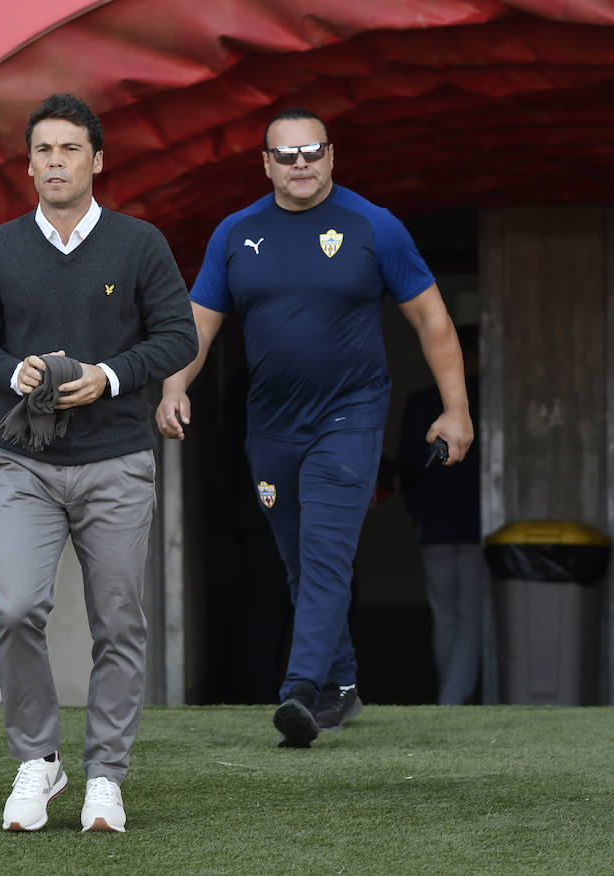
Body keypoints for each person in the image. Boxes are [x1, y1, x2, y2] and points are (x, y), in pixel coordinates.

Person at [156, 107, 473, 748]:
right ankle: (345, 684)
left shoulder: (374, 227)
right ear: (266, 164)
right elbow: (199, 323)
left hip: (350, 418)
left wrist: (456, 408)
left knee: (326, 556)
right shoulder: (236, 233)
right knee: (302, 563)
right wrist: (173, 387)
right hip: (270, 427)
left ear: (332, 155)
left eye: (312, 152)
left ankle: (300, 691)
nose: (301, 164)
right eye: (287, 155)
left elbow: (432, 321)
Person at [0, 93, 197, 830]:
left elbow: (179, 337)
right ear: (29, 166)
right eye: (44, 151)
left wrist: (112, 376)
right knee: (17, 605)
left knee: (117, 620)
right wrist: (10, 372)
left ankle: (107, 775)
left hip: (117, 456)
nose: (56, 162)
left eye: (70, 149)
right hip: (23, 459)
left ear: (96, 159)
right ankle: (39, 761)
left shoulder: (140, 243)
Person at [397, 325, 482, 705]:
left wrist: (418, 514)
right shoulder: (488, 399)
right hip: (479, 522)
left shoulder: (419, 402)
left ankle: (449, 695)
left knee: (445, 615)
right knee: (470, 616)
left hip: (434, 523)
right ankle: (454, 697)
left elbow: (408, 469)